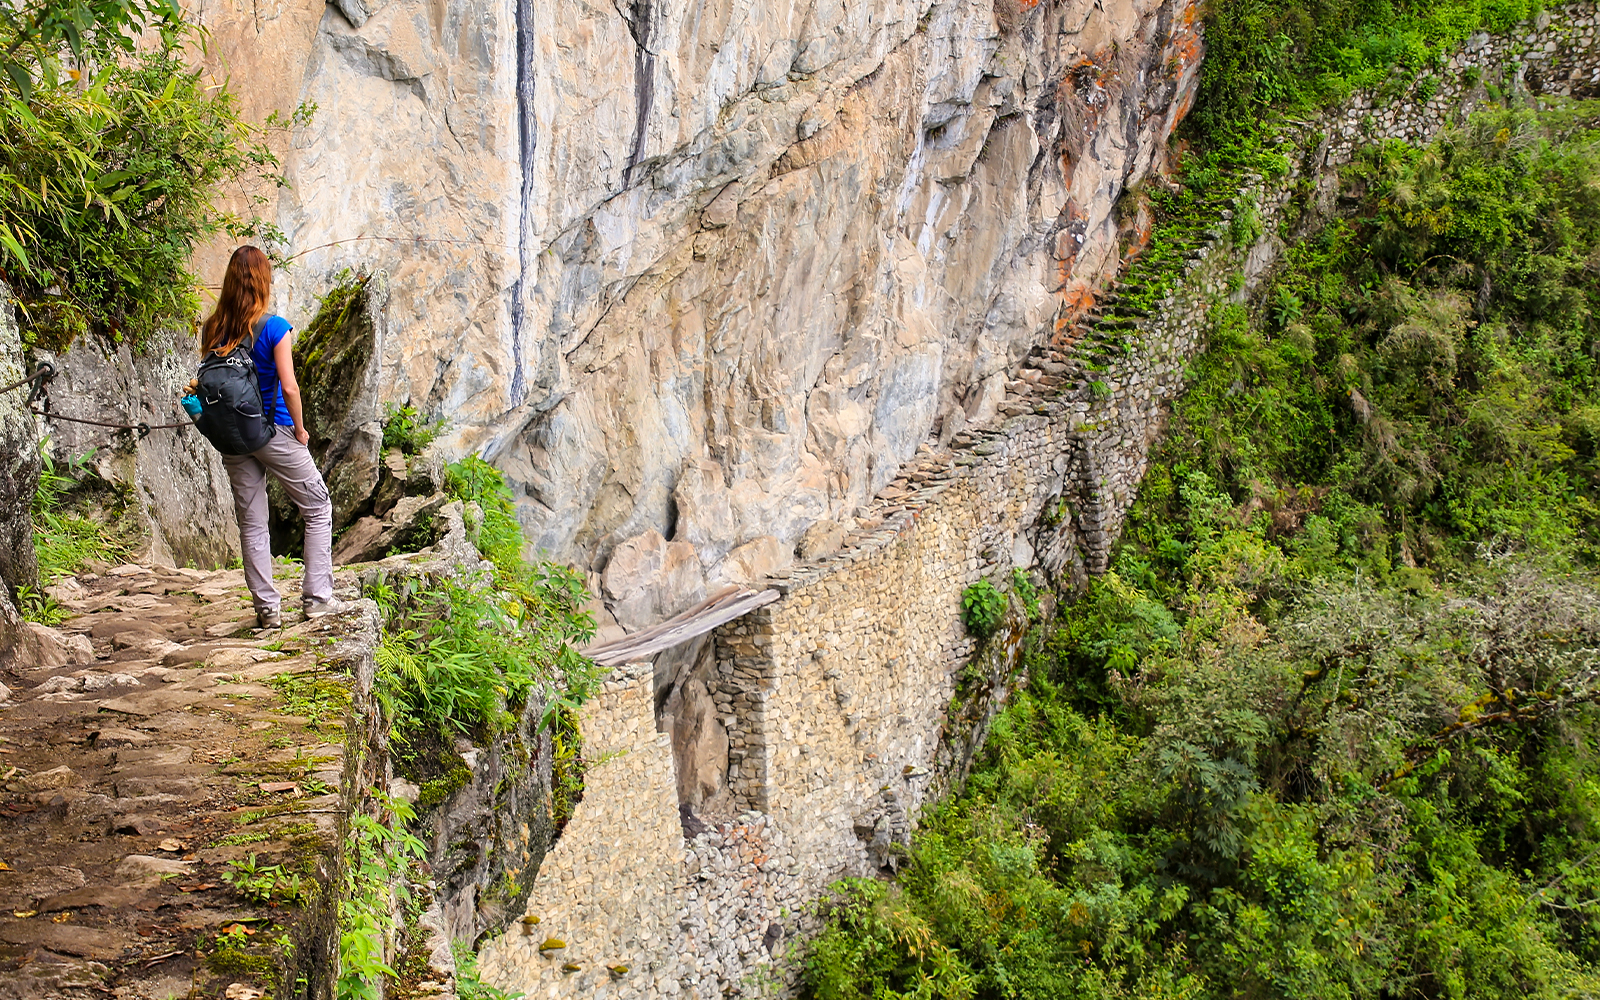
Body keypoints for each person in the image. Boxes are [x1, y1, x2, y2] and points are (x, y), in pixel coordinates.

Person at [199, 246, 346, 629]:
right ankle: (317, 598)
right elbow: (290, 387)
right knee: (317, 505)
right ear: (264, 282)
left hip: (233, 437)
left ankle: (267, 610)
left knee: (252, 522)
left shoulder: (213, 328)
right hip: (273, 430)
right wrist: (299, 429)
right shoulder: (275, 327)